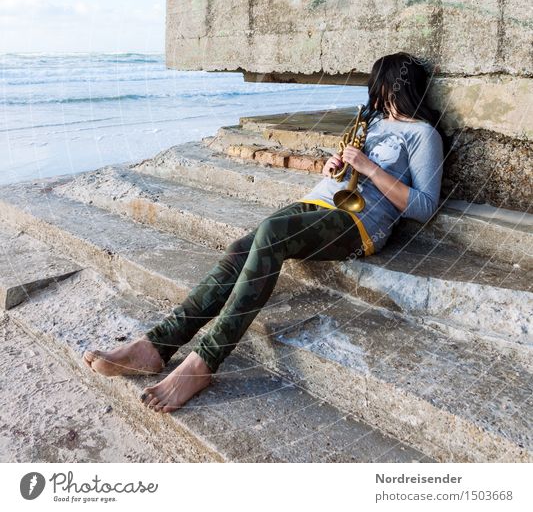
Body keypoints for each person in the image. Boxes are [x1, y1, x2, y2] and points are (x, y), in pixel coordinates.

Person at [84, 51, 446, 413]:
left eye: (382, 89)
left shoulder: (422, 135)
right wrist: (334, 168)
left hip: (360, 222)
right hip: (319, 203)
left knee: (271, 234)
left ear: (401, 86)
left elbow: (425, 206)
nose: (378, 98)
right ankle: (156, 346)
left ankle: (203, 363)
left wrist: (367, 167)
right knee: (241, 247)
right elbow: (338, 175)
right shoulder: (374, 123)